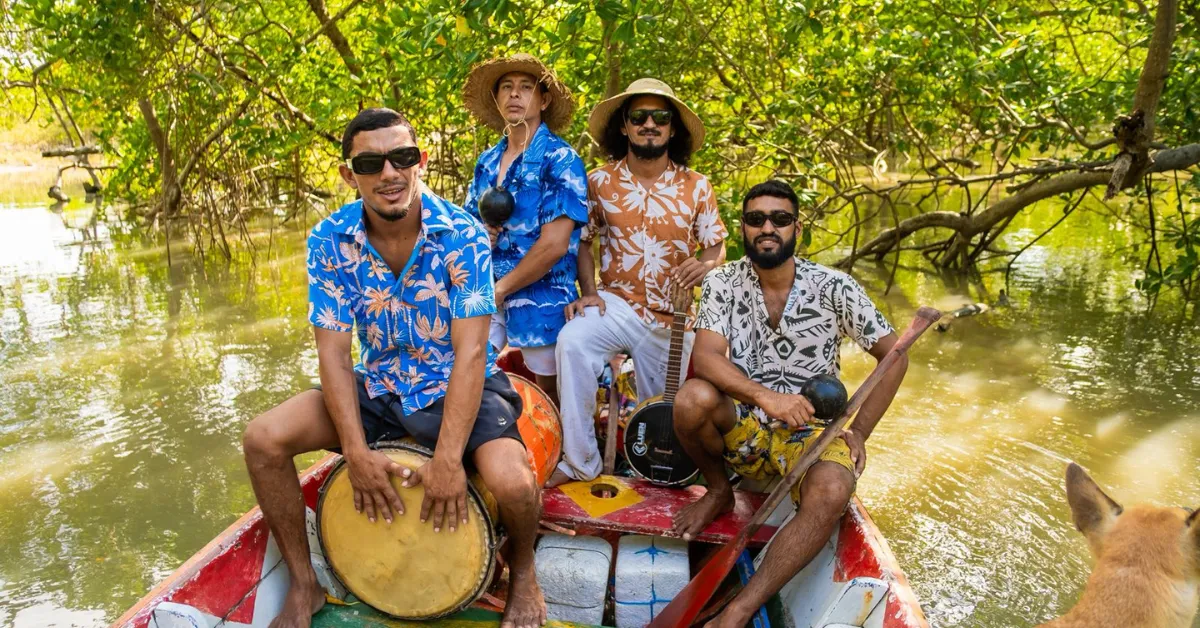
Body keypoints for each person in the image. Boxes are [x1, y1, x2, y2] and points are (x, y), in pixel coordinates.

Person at [241, 108, 544, 628]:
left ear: (420, 161)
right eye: (371, 163)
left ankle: (524, 572)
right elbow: (334, 355)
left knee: (514, 484)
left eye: (401, 158)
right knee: (262, 440)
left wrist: (448, 460)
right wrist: (355, 452)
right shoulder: (328, 240)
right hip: (379, 385)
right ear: (349, 175)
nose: (389, 173)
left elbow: (472, 353)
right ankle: (305, 584)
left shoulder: (464, 234)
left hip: (454, 382)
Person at [670, 180, 908, 628]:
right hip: (744, 422)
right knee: (690, 399)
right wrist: (767, 397)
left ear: (797, 228)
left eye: (779, 219)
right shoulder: (722, 281)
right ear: (743, 228)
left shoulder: (835, 286)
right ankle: (719, 491)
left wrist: (859, 431)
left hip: (809, 434)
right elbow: (706, 357)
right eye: (756, 218)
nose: (767, 228)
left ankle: (738, 610)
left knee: (833, 489)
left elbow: (894, 356)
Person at [552, 78, 728, 486]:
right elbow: (583, 241)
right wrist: (589, 293)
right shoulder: (598, 181)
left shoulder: (697, 186)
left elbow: (715, 247)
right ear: (624, 126)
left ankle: (663, 476)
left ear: (672, 129)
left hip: (674, 317)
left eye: (660, 117)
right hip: (617, 303)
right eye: (639, 117)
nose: (650, 124)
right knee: (572, 342)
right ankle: (580, 463)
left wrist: (704, 267)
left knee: (667, 411)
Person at [462, 54, 588, 401]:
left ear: (543, 100)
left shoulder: (560, 159)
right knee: (464, 373)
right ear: (497, 99)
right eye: (506, 87)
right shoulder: (487, 162)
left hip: (543, 295)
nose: (514, 94)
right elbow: (467, 228)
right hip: (489, 288)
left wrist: (500, 290)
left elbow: (555, 245)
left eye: (525, 87)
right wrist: (481, 234)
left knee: (552, 394)